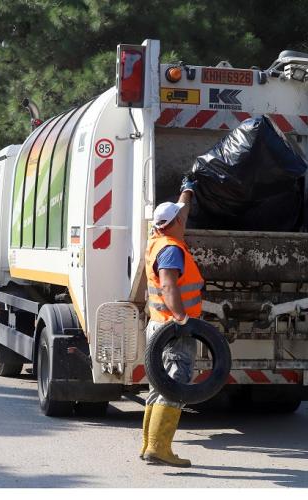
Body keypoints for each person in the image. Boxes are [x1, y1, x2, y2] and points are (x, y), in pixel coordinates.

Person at [139, 177, 202, 468]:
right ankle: (160, 448)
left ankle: (149, 446)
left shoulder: (158, 238)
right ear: (172, 224)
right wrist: (182, 319)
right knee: (175, 383)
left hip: (157, 325)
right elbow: (168, 286)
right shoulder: (171, 250)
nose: (184, 217)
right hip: (173, 329)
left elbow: (182, 210)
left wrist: (187, 189)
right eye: (180, 217)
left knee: (159, 385)